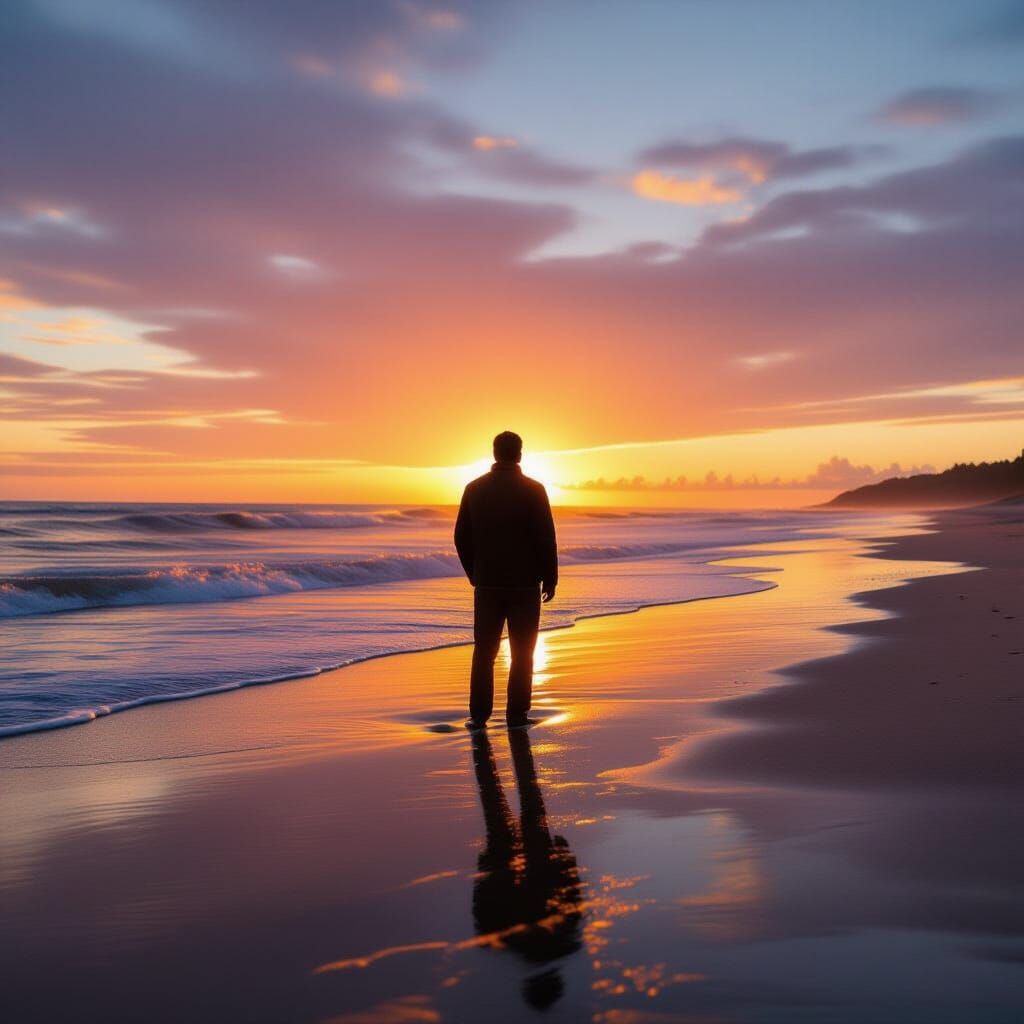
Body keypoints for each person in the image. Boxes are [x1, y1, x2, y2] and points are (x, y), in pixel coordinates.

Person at [454, 431, 557, 729]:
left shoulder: (474, 488)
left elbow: (461, 537)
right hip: (525, 584)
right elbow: (545, 538)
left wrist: (474, 572)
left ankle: (479, 716)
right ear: (520, 454)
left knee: (484, 652)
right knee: (523, 653)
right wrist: (550, 577)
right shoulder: (534, 490)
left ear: (494, 453)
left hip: (487, 583)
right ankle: (517, 714)